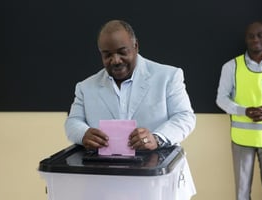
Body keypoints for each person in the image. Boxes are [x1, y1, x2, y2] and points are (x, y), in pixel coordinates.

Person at [65, 19, 196, 199]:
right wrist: (84, 133)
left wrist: (157, 138)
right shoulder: (86, 87)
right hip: (107, 185)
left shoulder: (168, 76)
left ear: (136, 46)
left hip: (159, 183)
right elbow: (73, 121)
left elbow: (185, 116)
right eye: (107, 55)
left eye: (122, 52)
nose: (115, 60)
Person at [216, 21, 262, 200]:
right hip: (242, 139)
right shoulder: (231, 66)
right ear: (246, 39)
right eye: (251, 36)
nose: (255, 39)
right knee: (242, 192)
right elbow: (221, 99)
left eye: (260, 35)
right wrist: (243, 111)